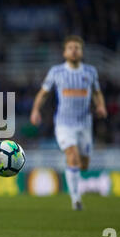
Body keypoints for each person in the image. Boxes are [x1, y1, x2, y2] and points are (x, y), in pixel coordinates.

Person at [30, 35, 107, 210]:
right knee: (72, 155)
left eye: (77, 48)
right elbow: (43, 93)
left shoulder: (90, 72)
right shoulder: (56, 72)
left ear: (82, 52)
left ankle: (74, 179)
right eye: (70, 48)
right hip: (64, 124)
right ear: (65, 52)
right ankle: (76, 200)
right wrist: (35, 110)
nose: (74, 50)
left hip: (85, 123)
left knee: (84, 164)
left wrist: (100, 105)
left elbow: (96, 92)